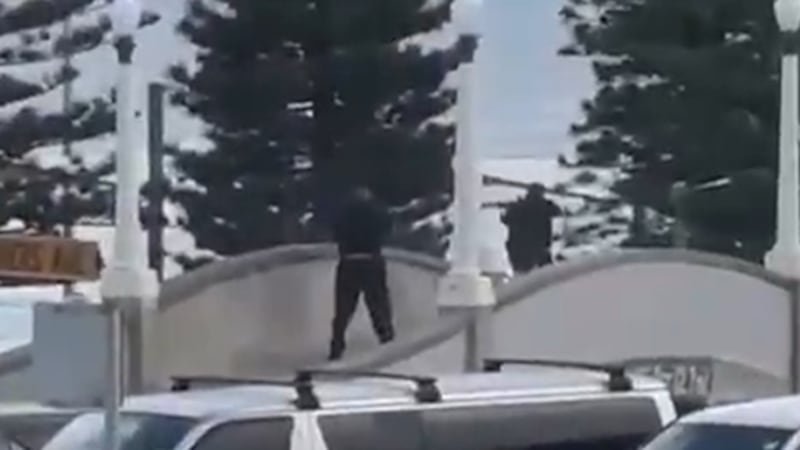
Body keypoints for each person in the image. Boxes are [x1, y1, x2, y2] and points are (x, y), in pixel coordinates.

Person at [328, 186, 395, 361]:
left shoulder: (343, 214)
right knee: (378, 305)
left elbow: (335, 231)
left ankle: (337, 346)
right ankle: (387, 342)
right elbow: (387, 227)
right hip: (371, 260)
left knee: (343, 309)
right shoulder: (377, 212)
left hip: (349, 261)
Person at [501, 183, 560, 275]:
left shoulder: (517, 207)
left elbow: (505, 219)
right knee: (548, 276)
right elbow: (558, 211)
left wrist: (508, 207)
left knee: (521, 275)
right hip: (539, 248)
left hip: (518, 248)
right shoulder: (545, 206)